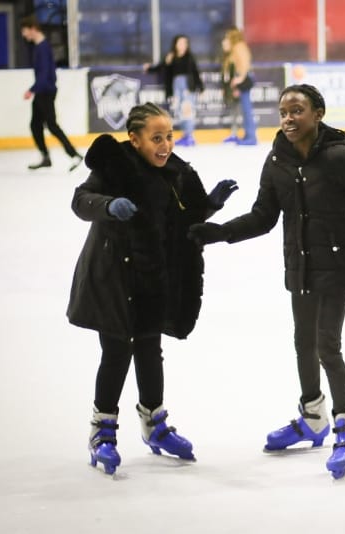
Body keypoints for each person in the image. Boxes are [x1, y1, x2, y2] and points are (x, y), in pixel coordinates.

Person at [187, 84, 345, 479]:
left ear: (318, 114)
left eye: (297, 110)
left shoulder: (339, 159)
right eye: (284, 111)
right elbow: (263, 217)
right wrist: (218, 232)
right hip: (299, 265)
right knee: (303, 341)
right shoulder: (277, 161)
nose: (288, 118)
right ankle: (312, 417)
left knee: (326, 345)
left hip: (336, 265)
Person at [67, 102, 238, 476]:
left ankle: (154, 424)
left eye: (169, 137)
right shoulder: (116, 167)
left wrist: (210, 204)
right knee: (116, 353)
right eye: (156, 138)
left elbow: (184, 218)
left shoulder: (175, 172)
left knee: (149, 349)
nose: (165, 146)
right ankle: (103, 432)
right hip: (112, 279)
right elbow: (81, 201)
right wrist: (110, 206)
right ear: (135, 138)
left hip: (150, 280)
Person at [19, 15, 83, 171]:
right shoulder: (39, 46)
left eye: (25, 31)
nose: (24, 35)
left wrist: (32, 90)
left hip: (45, 91)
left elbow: (45, 74)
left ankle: (74, 155)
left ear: (33, 29)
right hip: (43, 90)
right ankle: (45, 156)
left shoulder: (42, 47)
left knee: (52, 126)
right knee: (35, 125)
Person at [144, 35, 204, 146]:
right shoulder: (171, 57)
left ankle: (190, 136)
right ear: (175, 44)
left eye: (184, 43)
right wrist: (150, 68)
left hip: (187, 86)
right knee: (179, 111)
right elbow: (161, 66)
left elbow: (195, 72)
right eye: (180, 43)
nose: (182, 45)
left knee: (188, 109)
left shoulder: (190, 57)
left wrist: (201, 87)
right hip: (176, 86)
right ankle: (185, 135)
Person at [220, 27, 257, 145]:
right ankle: (248, 135)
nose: (226, 39)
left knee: (247, 110)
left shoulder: (239, 46)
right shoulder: (236, 48)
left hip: (244, 79)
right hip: (242, 79)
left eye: (228, 36)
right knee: (244, 110)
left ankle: (251, 137)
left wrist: (240, 78)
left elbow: (244, 63)